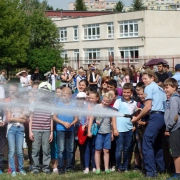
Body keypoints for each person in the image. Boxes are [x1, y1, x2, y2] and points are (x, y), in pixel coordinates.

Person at [131, 69, 166, 178]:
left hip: (155, 117)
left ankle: (151, 172)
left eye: (145, 78)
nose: (144, 81)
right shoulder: (160, 88)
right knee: (157, 144)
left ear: (152, 78)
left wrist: (136, 119)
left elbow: (148, 106)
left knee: (147, 143)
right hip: (162, 117)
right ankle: (161, 169)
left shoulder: (149, 87)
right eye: (142, 79)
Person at [88, 92, 116, 174]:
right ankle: (98, 168)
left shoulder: (110, 109)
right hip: (99, 133)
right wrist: (89, 131)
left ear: (110, 102)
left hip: (107, 133)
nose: (104, 102)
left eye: (107, 102)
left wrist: (112, 133)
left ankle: (106, 168)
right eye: (104, 100)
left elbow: (111, 122)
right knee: (98, 150)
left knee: (106, 151)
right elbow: (91, 119)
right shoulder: (97, 107)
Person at [29, 82, 53, 174]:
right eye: (42, 92)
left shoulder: (50, 104)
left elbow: (51, 119)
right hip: (35, 130)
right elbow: (30, 118)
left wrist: (51, 132)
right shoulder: (34, 103)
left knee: (46, 149)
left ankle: (46, 167)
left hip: (46, 130)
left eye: (46, 92)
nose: (44, 94)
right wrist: (30, 131)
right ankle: (35, 167)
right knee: (35, 149)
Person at [112, 83, 137, 173]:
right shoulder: (118, 101)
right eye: (124, 92)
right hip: (119, 129)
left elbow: (134, 116)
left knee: (127, 149)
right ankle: (119, 166)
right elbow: (113, 116)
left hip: (129, 129)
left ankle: (126, 166)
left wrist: (134, 125)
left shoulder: (134, 103)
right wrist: (115, 128)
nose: (126, 94)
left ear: (131, 92)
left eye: (128, 92)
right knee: (119, 149)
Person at [53, 87, 78, 174]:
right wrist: (63, 123)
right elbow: (54, 117)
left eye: (65, 95)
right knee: (61, 149)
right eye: (62, 95)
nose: (63, 97)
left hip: (70, 130)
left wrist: (71, 124)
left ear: (70, 96)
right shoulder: (58, 105)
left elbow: (76, 118)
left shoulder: (74, 105)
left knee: (70, 150)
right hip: (60, 129)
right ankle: (60, 167)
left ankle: (69, 167)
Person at [7, 93, 27, 177]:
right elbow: (9, 119)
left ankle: (21, 169)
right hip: (11, 129)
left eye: (13, 98)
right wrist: (19, 118)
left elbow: (25, 120)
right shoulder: (9, 107)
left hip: (20, 129)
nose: (12, 100)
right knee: (12, 151)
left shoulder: (23, 107)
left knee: (19, 151)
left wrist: (14, 118)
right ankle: (13, 170)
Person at [164, 78, 180, 180]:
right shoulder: (176, 97)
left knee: (175, 153)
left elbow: (174, 116)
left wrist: (168, 128)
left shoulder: (174, 99)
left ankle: (177, 174)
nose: (165, 89)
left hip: (174, 128)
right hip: (175, 128)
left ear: (174, 87)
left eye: (167, 87)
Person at [0, 106, 6, 174]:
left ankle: (0, 168)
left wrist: (4, 122)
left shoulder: (2, 109)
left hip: (2, 132)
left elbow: (5, 117)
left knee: (1, 152)